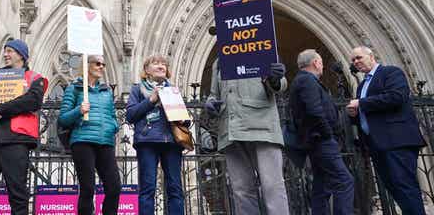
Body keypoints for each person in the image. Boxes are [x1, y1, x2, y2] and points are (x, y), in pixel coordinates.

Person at [346, 46, 426, 214]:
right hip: (377, 144)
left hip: (396, 140)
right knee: (394, 187)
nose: (355, 62)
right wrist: (354, 113)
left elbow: (397, 97)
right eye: (353, 60)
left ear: (371, 56)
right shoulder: (361, 87)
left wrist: (361, 103)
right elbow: (366, 112)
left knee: (405, 185)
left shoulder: (391, 73)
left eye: (358, 58)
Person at [205, 56, 289, 214]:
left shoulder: (260, 47)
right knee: (241, 191)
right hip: (231, 131)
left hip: (262, 127)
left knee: (272, 187)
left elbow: (280, 84)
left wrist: (275, 78)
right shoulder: (219, 62)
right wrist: (210, 103)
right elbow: (214, 94)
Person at [0, 39, 48, 215]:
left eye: (9, 51)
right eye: (5, 51)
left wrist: (0, 109)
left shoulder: (34, 78)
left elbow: (32, 101)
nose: (5, 54)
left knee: (17, 194)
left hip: (15, 140)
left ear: (21, 55)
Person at [289, 49, 354, 214]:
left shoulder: (304, 81)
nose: (323, 67)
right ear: (316, 63)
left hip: (317, 140)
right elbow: (314, 111)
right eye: (321, 63)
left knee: (322, 186)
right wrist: (328, 135)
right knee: (344, 181)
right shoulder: (306, 81)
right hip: (321, 141)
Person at [58, 55, 121, 215]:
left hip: (105, 142)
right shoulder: (75, 88)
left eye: (103, 64)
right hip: (83, 141)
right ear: (87, 66)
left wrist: (113, 126)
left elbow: (113, 116)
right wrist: (79, 111)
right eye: (98, 63)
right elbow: (63, 119)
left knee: (114, 186)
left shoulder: (106, 91)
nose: (101, 67)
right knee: (87, 188)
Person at [125, 55, 185, 215]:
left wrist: (180, 115)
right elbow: (130, 115)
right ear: (146, 70)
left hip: (171, 142)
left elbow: (185, 122)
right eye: (156, 63)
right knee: (147, 188)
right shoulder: (137, 89)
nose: (161, 66)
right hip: (147, 142)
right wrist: (151, 100)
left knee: (175, 188)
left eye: (164, 64)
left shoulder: (172, 90)